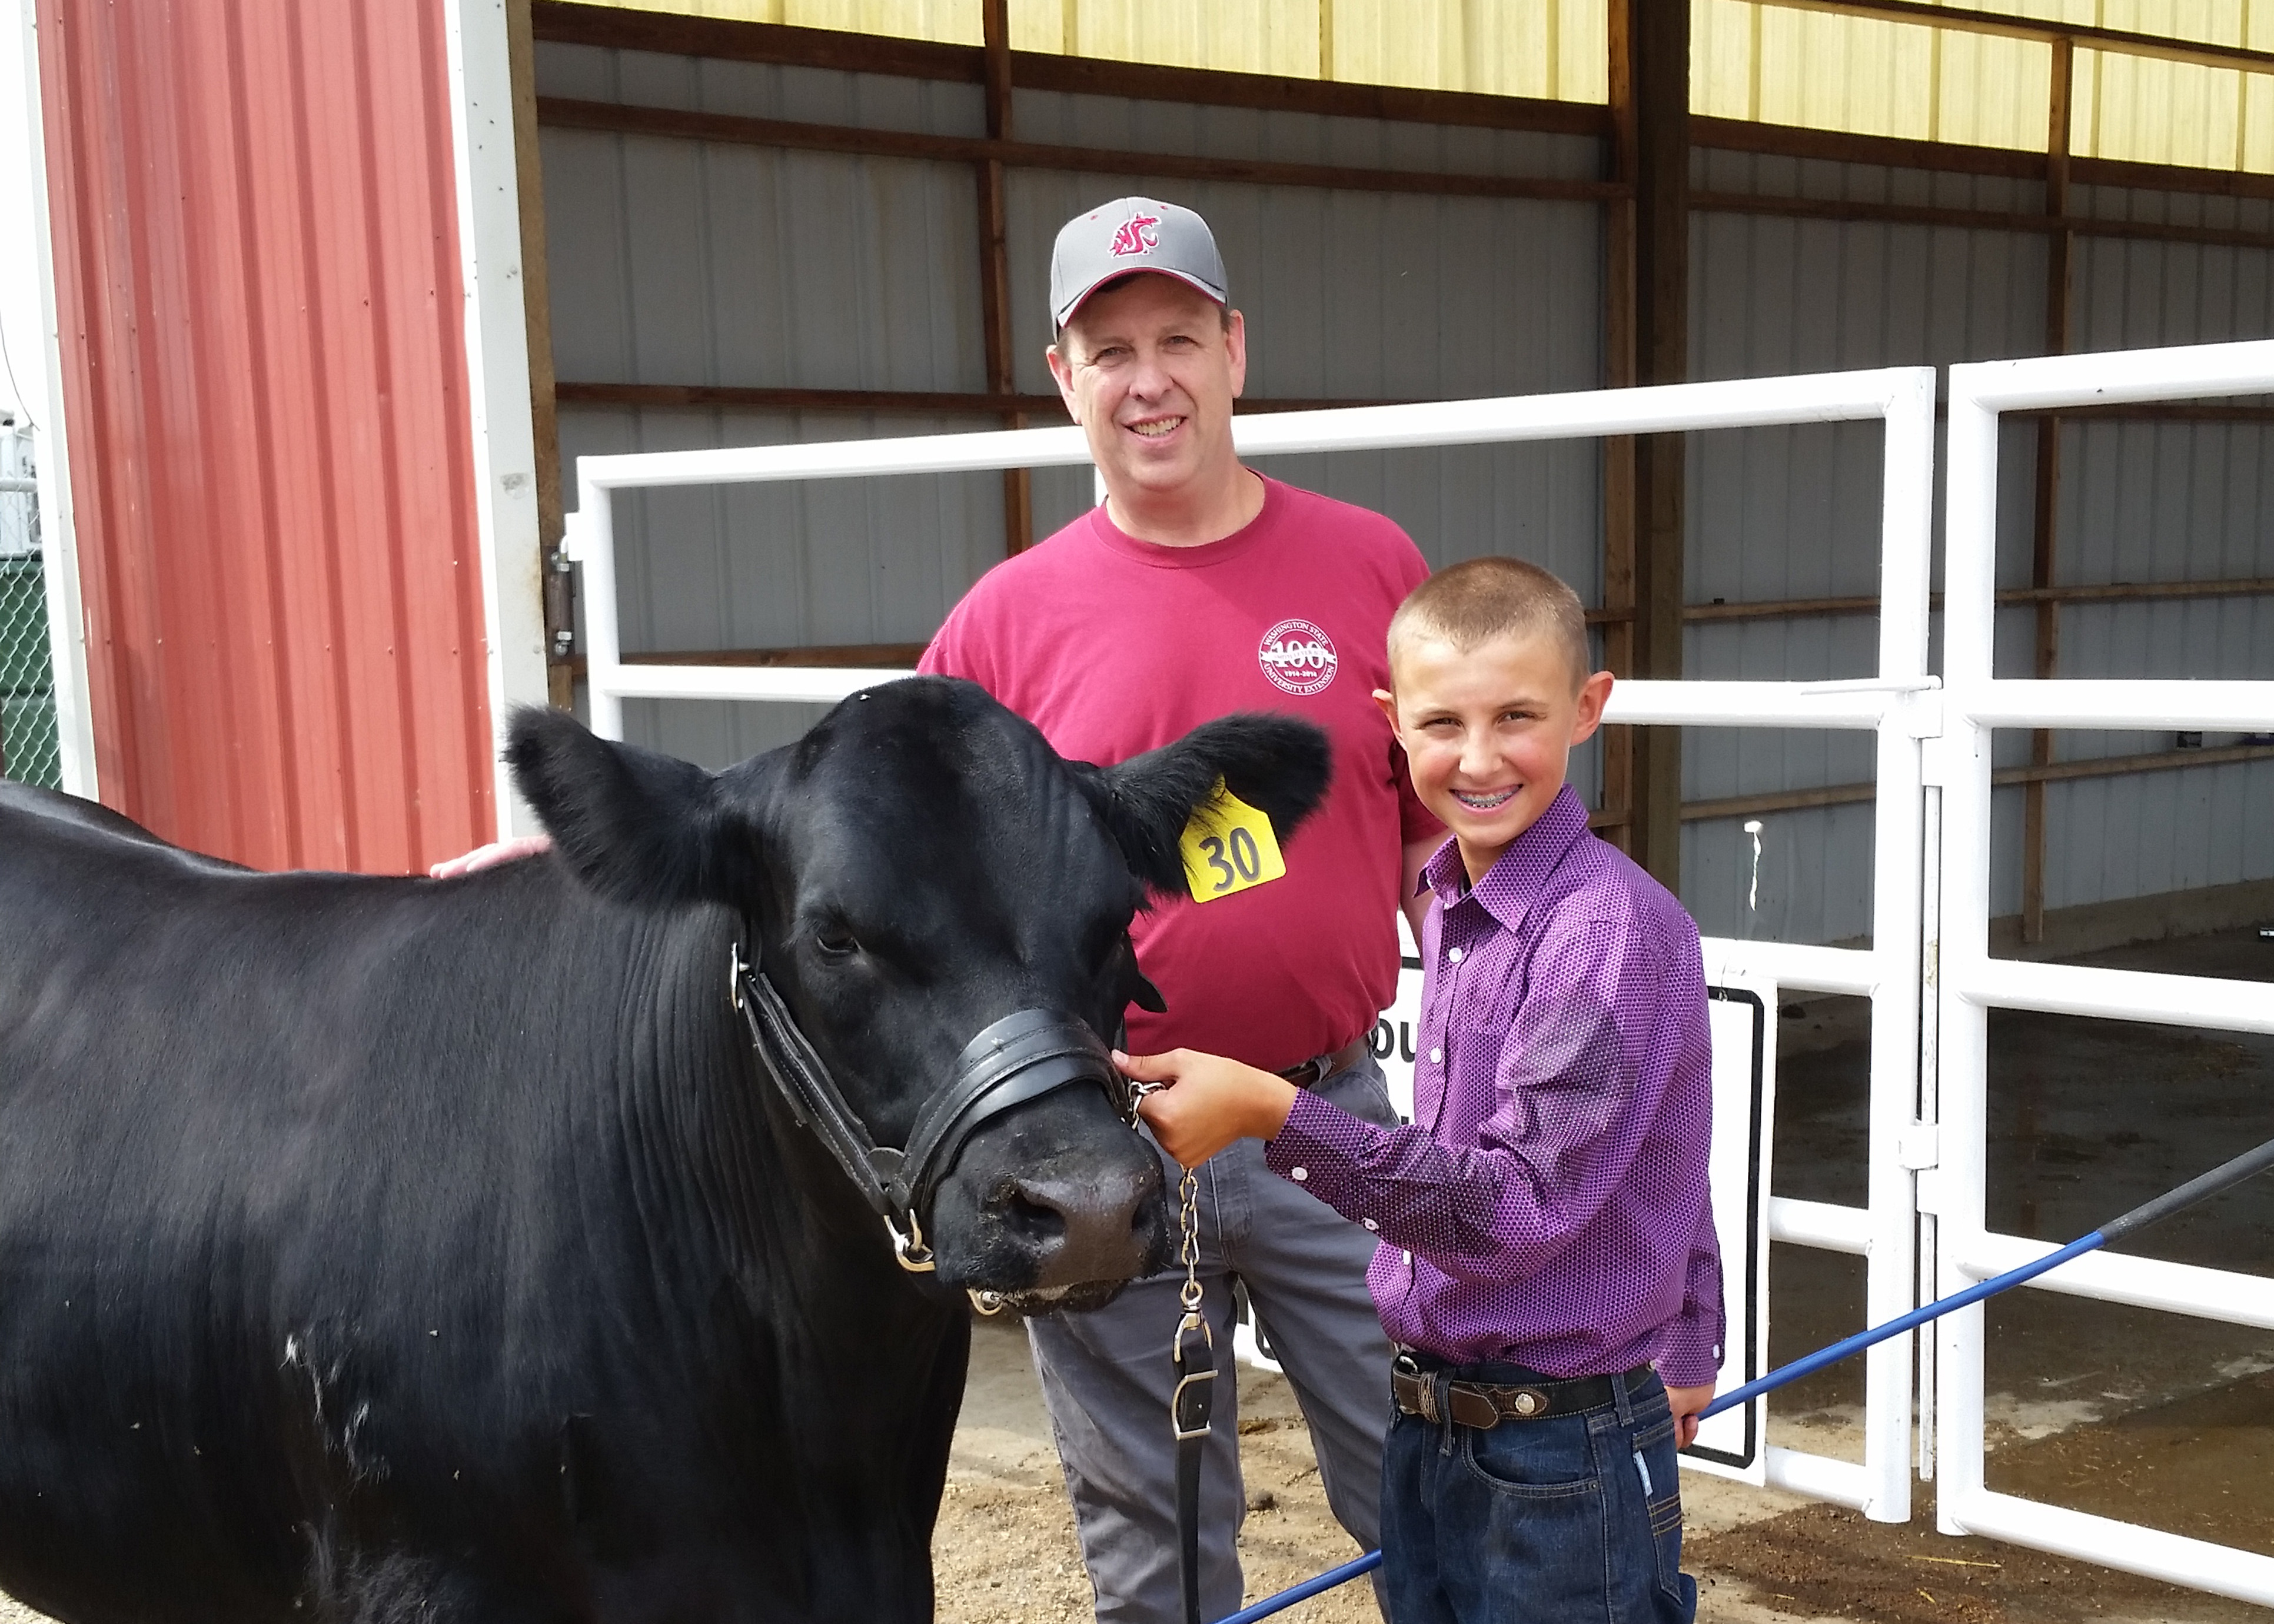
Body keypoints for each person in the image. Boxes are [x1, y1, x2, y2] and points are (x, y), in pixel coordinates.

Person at [919, 197, 1443, 1623]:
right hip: (1112, 1141)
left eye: (1177, 338)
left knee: (1425, 1475)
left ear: (1235, 350)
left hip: (1329, 1115)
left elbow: (1432, 827)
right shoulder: (1002, 625)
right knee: (1153, 1529)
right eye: (1110, 350)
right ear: (1064, 375)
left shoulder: (1370, 565)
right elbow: (905, 859)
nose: (1147, 379)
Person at [1118, 555, 1722, 1624]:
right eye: (1443, 723)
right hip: (1438, 1422)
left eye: (1518, 718)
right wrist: (1693, 1329)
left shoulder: (1603, 934)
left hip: (1559, 1449)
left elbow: (1513, 1206)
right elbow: (1665, 1146)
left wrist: (1274, 1112)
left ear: (1588, 709)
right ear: (1392, 722)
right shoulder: (1447, 902)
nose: (1479, 758)